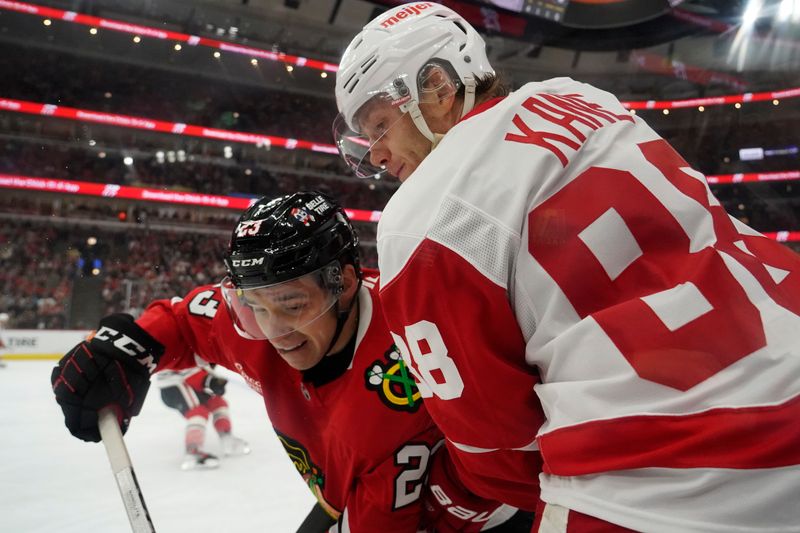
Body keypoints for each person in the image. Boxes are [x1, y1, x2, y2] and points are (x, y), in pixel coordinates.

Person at [333, 3, 800, 533]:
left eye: (377, 125)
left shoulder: (421, 216)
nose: (373, 154)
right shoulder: (583, 99)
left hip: (661, 484)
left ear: (437, 87)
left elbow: (495, 447)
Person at [51, 192, 528, 532]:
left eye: (292, 304)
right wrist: (124, 347)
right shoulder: (257, 325)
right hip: (353, 492)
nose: (273, 330)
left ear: (343, 282)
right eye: (255, 305)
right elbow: (184, 321)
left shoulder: (411, 371)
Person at [155, 364, 251, 470]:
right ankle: (193, 452)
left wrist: (212, 378)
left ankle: (226, 437)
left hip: (191, 378)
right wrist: (210, 381)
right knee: (197, 412)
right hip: (174, 384)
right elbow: (185, 367)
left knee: (218, 403)